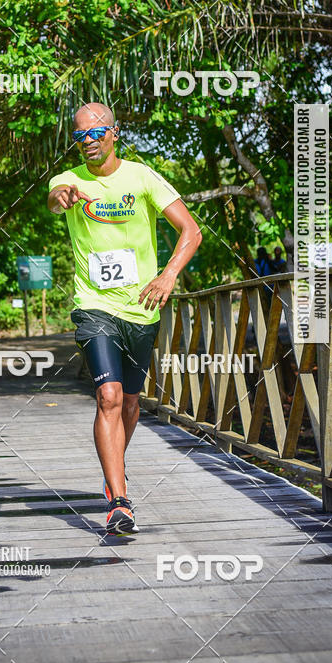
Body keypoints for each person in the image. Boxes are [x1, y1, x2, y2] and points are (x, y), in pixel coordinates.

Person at [47, 103, 201, 534]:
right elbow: (54, 199)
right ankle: (119, 501)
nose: (89, 142)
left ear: (115, 132)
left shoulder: (142, 176)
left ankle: (112, 467)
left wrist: (168, 275)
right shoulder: (70, 180)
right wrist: (61, 198)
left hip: (141, 309)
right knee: (109, 398)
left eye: (97, 133)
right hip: (94, 306)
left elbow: (191, 231)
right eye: (80, 136)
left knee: (131, 404)